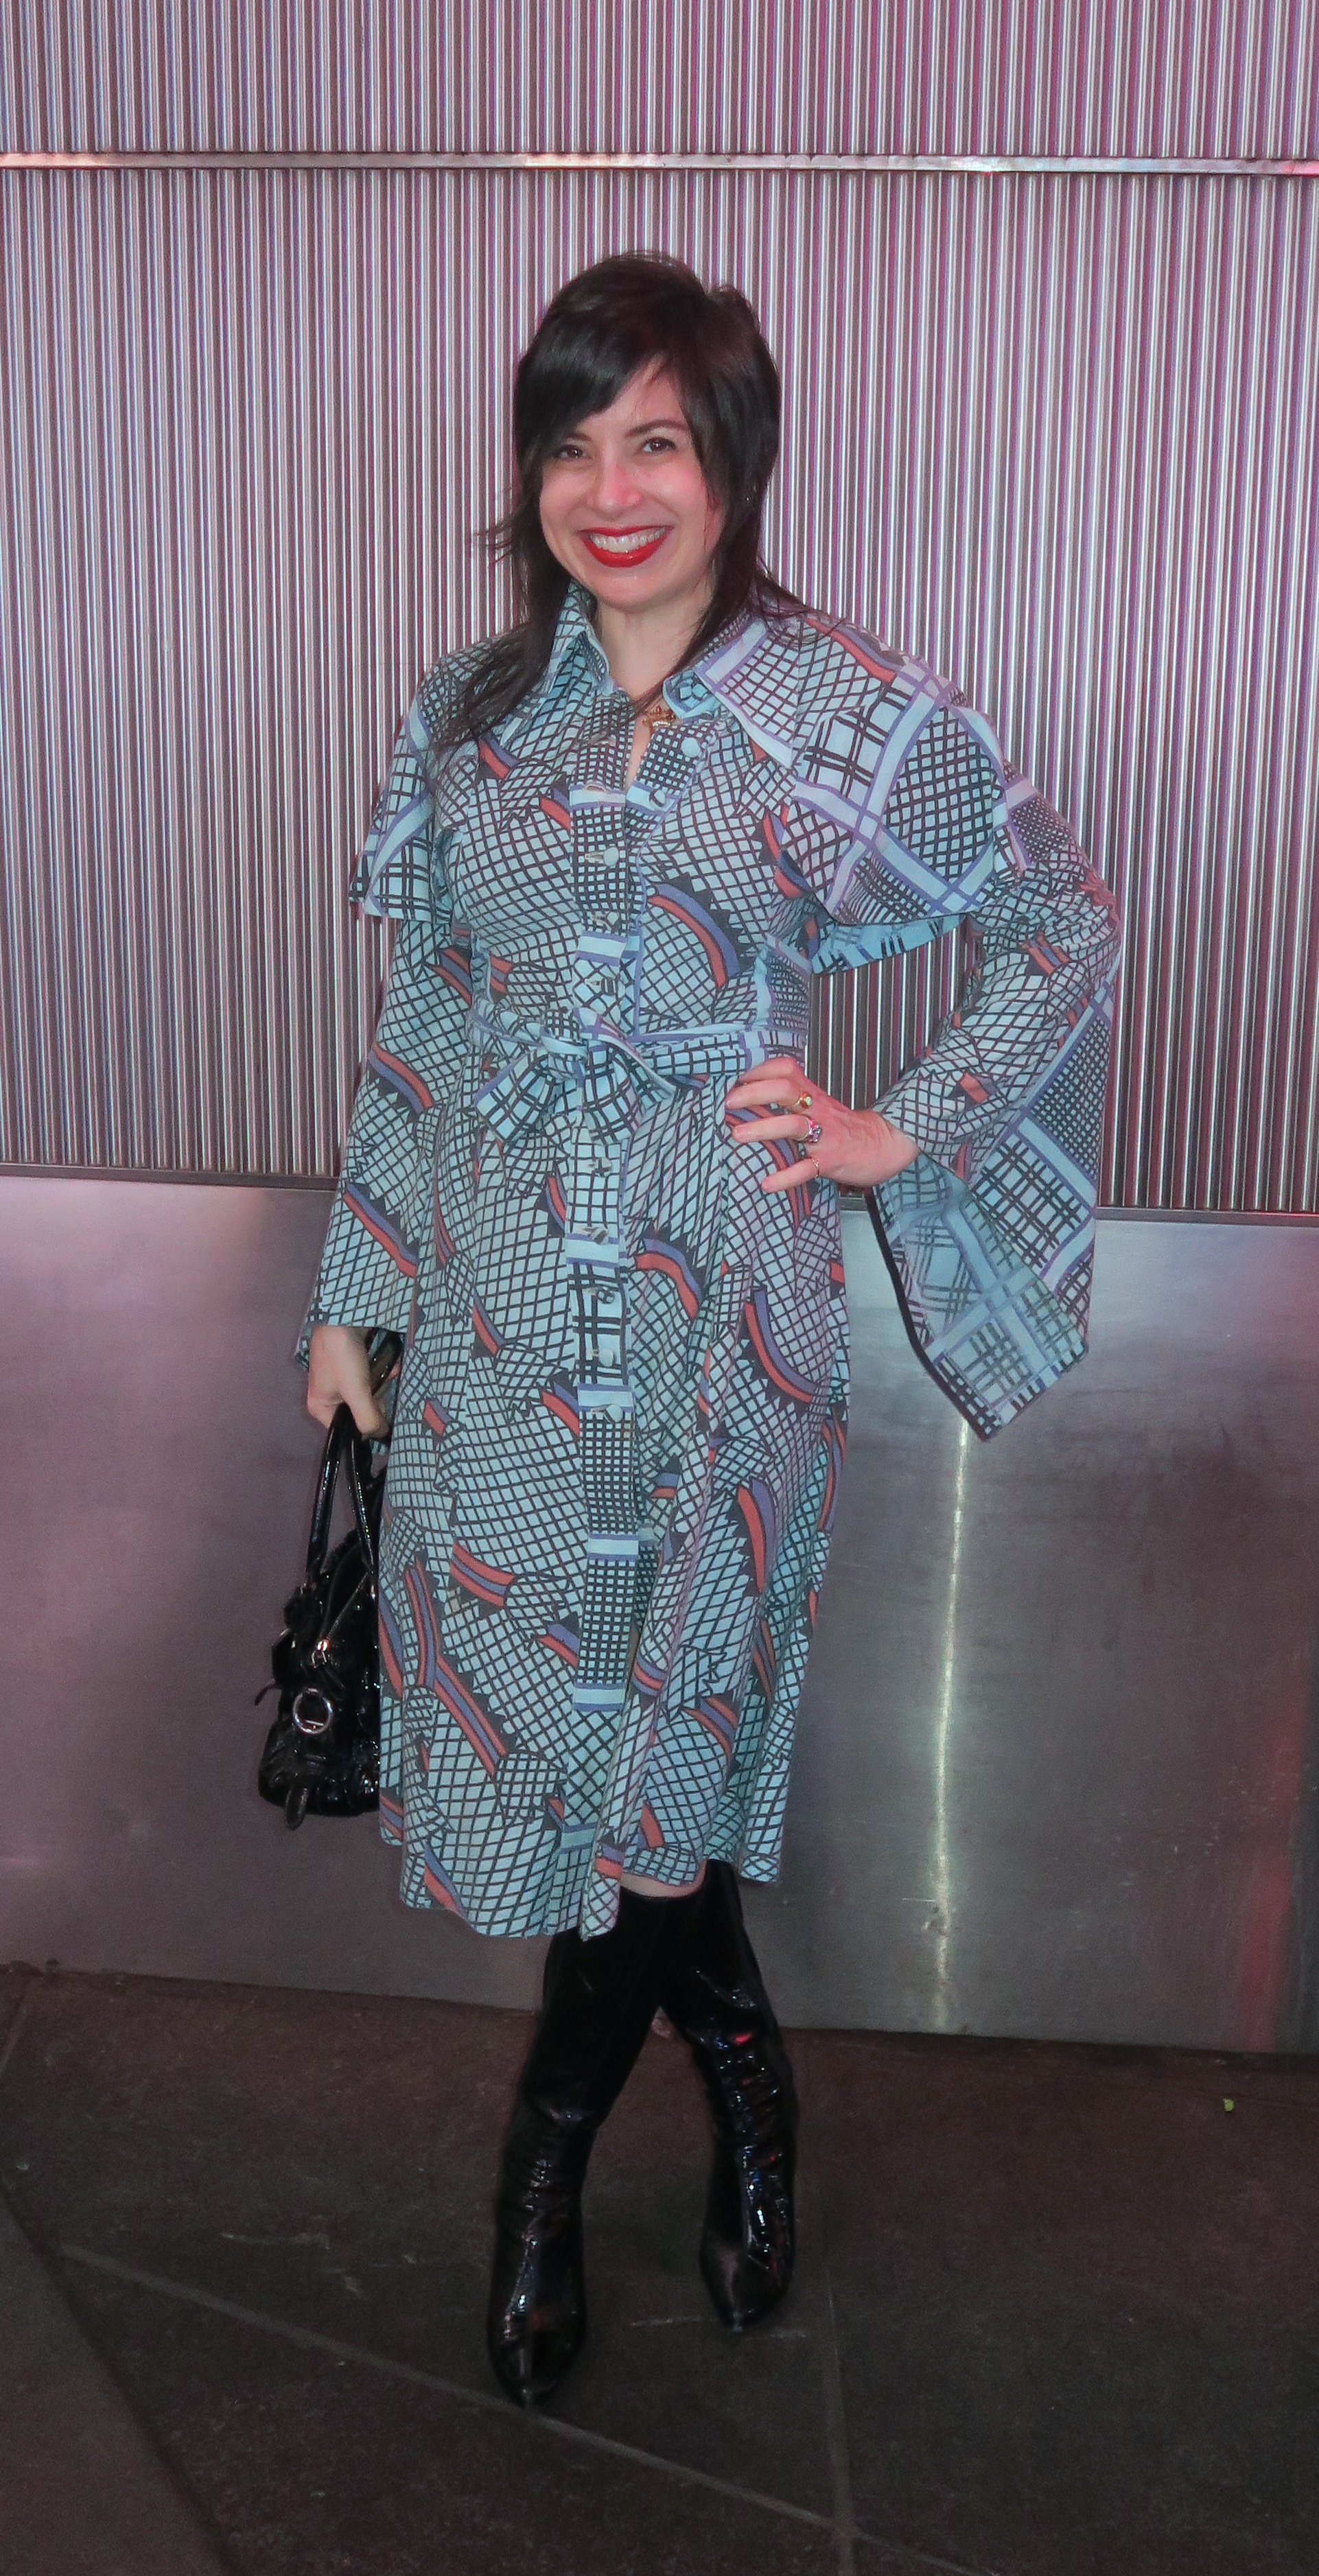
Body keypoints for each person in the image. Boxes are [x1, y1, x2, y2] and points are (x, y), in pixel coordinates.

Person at [303, 254, 1121, 2407]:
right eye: (570, 443)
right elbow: (422, 1023)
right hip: (493, 1325)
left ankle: (542, 2173)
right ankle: (750, 2081)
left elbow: (1058, 920)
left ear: (734, 457)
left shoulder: (849, 715)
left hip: (719, 1328)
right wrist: (356, 1292)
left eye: (654, 438)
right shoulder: (471, 721)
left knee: (661, 1748)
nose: (610, 488)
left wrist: (891, 1124)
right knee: (586, 1762)